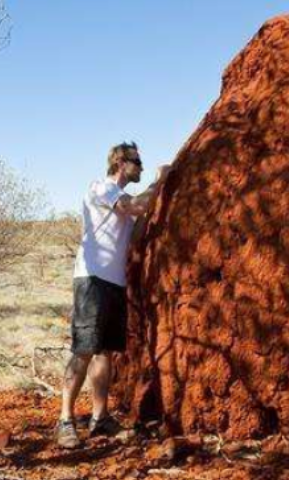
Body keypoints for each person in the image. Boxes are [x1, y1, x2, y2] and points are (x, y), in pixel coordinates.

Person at [56, 141, 170, 449]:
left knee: (104, 352)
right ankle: (65, 420)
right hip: (91, 277)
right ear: (120, 162)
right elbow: (134, 206)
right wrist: (159, 181)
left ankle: (100, 418)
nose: (141, 168)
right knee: (84, 350)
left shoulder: (122, 199)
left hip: (114, 281)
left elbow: (135, 229)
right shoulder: (101, 188)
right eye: (136, 162)